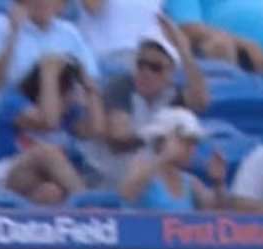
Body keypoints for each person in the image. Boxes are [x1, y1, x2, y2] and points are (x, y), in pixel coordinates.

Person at [85, 14, 209, 191]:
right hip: (106, 175)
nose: (146, 72)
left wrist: (184, 50)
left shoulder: (172, 94)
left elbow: (201, 101)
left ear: (170, 72)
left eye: (155, 67)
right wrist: (159, 134)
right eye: (141, 64)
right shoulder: (121, 87)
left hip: (150, 176)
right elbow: (119, 136)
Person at [0, 54, 104, 204]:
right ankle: (88, 205)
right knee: (46, 152)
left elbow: (96, 130)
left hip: (45, 181)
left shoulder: (68, 113)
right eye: (70, 90)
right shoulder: (13, 101)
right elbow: (49, 122)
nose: (74, 96)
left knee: (51, 192)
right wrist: (49, 74)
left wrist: (90, 87)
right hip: (9, 173)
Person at [0, 0, 98, 112]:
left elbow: (90, 79)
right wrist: (13, 33)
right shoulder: (2, 25)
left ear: (61, 5)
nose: (44, 2)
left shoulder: (70, 32)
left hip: (62, 115)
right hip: (14, 115)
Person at [119, 107, 228, 210]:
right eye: (185, 142)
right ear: (163, 141)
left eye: (193, 144)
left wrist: (218, 182)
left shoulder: (190, 182)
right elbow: (126, 194)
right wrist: (164, 156)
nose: (191, 150)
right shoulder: (141, 164)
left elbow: (217, 210)